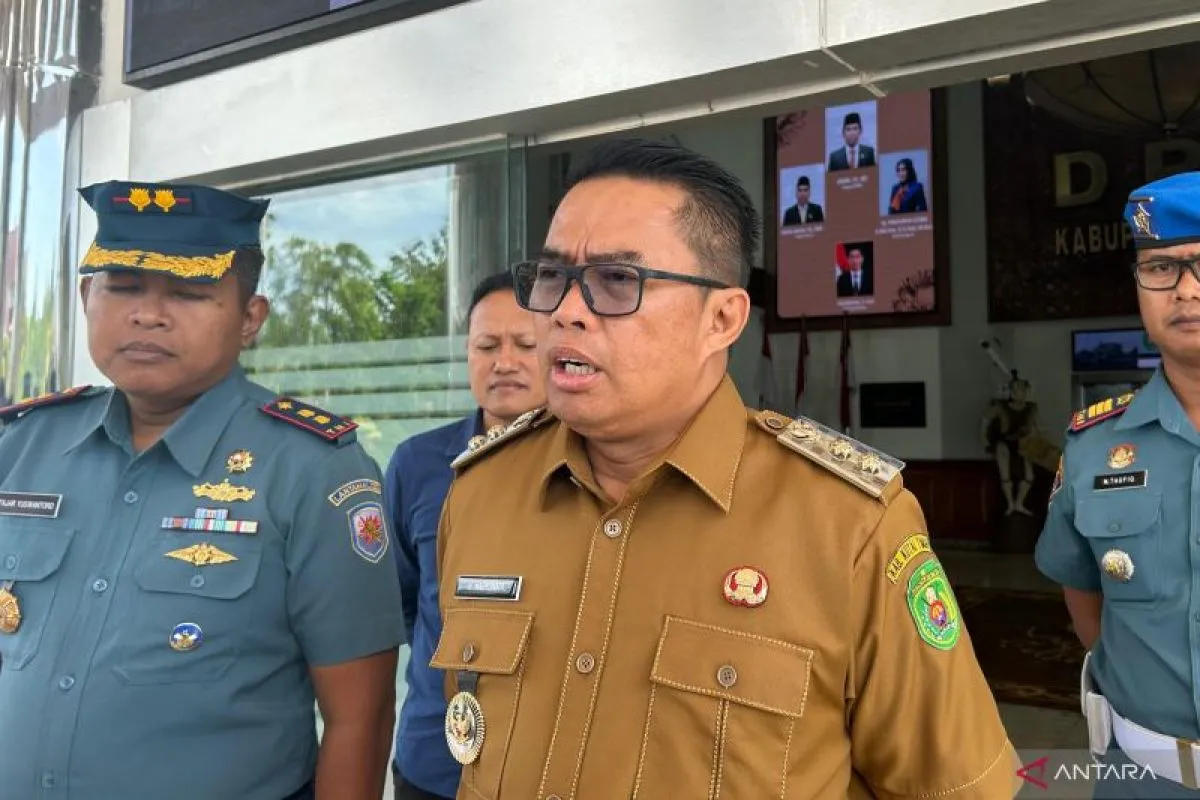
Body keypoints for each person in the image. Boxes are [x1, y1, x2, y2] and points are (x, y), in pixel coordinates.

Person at [431, 138, 1018, 799]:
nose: (566, 310)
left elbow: (953, 788)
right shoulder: (480, 493)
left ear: (721, 319)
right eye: (552, 276)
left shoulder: (847, 525)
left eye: (617, 280)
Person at [0, 180, 403, 800]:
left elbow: (361, 719)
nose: (148, 315)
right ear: (86, 297)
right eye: (123, 287)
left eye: (188, 293)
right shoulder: (22, 446)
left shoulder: (313, 469)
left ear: (250, 319)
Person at [1036, 172, 1200, 798]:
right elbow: (1082, 592)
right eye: (1160, 267)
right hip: (1140, 779)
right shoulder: (1093, 447)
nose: (1185, 289)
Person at [386, 270, 544, 800]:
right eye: (487, 345)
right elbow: (402, 604)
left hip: (543, 767)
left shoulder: (599, 467)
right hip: (435, 759)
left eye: (526, 345)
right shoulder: (417, 463)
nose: (505, 361)